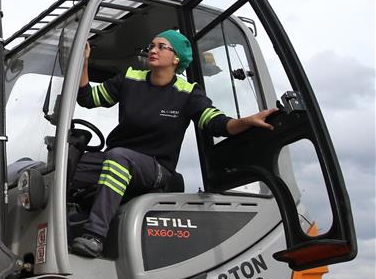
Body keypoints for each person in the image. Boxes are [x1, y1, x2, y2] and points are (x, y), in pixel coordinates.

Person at [68, 29, 276, 258]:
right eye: (151, 46)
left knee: (119, 158)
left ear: (176, 58)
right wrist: (83, 61)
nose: (153, 50)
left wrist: (246, 121)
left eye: (161, 47)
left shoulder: (187, 93)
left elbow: (216, 123)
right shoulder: (129, 78)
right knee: (65, 168)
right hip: (117, 160)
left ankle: (95, 236)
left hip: (156, 168)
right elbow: (88, 98)